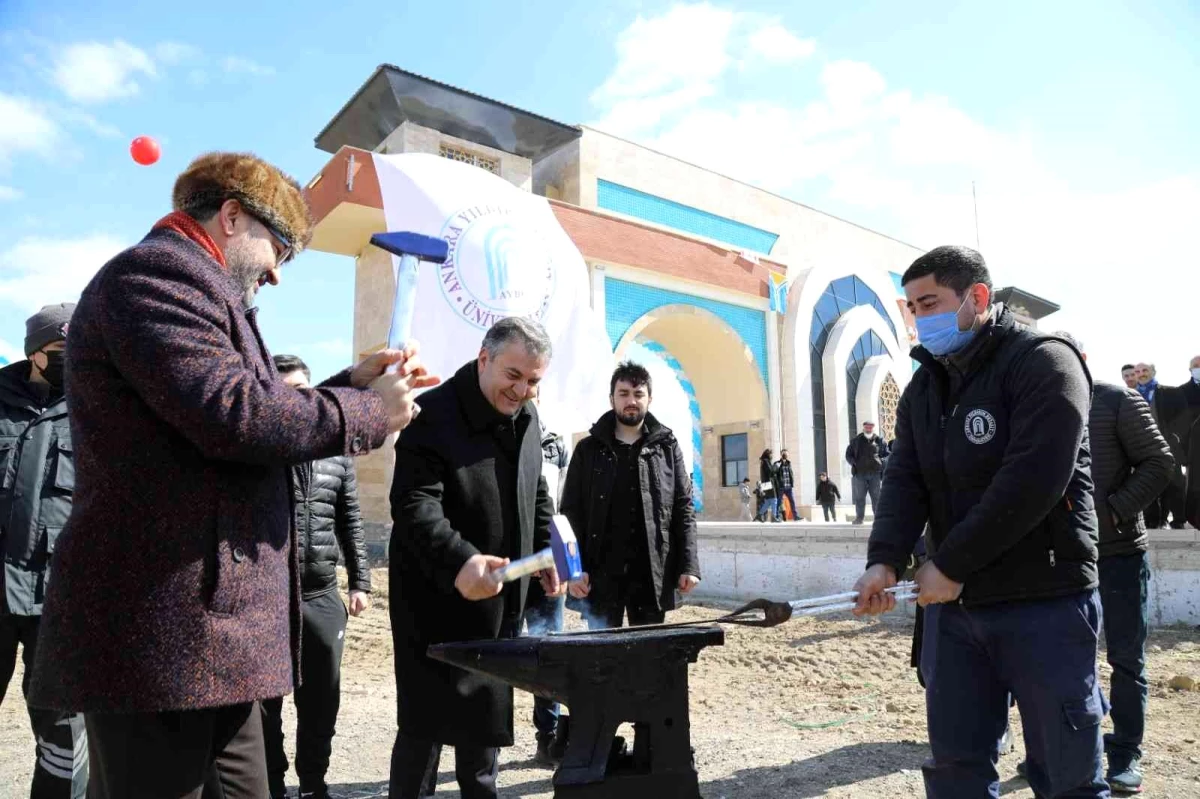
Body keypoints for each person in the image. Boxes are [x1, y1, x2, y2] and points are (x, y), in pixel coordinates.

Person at [28, 152, 434, 799]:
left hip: (208, 641)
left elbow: (243, 413)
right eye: (279, 248)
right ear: (232, 216)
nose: (276, 274)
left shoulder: (198, 289)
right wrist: (368, 410)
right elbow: (237, 416)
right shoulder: (155, 277)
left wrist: (349, 386)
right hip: (158, 634)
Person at [853, 245, 1109, 799]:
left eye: (930, 303)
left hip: (1043, 600)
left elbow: (1034, 479)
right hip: (956, 611)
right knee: (957, 764)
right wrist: (885, 560)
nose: (920, 319)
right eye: (912, 307)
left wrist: (950, 563)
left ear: (978, 297)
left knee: (1066, 773)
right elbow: (905, 481)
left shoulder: (1044, 361)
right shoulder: (926, 386)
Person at [387, 317, 561, 799]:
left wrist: (547, 552)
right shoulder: (433, 413)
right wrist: (460, 561)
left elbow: (536, 492)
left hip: (499, 603)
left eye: (533, 381)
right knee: (424, 734)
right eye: (513, 375)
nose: (522, 390)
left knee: (483, 739)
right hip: (434, 601)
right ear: (484, 358)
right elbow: (413, 504)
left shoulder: (528, 418)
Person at [1053, 332, 1173, 793]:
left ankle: (1125, 752)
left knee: (1125, 658)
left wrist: (1114, 511)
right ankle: (1068, 750)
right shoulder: (1035, 404)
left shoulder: (1117, 401)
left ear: (1081, 358)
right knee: (1057, 660)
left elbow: (1160, 463)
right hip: (1059, 560)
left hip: (1118, 554)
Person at [261, 354, 374, 799]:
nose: (298, 400)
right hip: (269, 598)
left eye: (304, 390)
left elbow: (351, 518)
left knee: (322, 701)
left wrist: (360, 581)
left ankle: (313, 783)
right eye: (286, 391)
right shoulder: (260, 452)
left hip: (322, 595)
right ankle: (270, 784)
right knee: (265, 704)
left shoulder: (337, 452)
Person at [1, 304, 87, 798]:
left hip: (59, 600)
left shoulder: (98, 408)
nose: (71, 361)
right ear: (34, 352)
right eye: (60, 352)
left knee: (62, 732)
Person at [562, 361, 701, 629]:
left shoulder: (667, 448)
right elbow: (571, 513)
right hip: (600, 573)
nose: (631, 401)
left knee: (648, 658)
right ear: (611, 398)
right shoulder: (588, 450)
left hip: (651, 572)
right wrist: (573, 570)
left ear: (649, 399)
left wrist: (689, 565)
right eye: (623, 393)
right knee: (603, 658)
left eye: (638, 394)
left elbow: (684, 507)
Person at [523, 389, 569, 766]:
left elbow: (561, 506)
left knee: (548, 652)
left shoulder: (556, 447)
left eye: (535, 388)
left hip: (549, 562)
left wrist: (567, 562)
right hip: (506, 564)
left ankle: (548, 736)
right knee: (498, 650)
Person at [1134, 363, 1188, 529]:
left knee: (1174, 483)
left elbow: (1184, 417)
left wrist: (1174, 437)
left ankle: (1178, 520)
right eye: (1138, 372)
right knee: (1148, 483)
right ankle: (1152, 521)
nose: (1141, 374)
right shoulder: (1130, 395)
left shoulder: (1170, 392)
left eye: (1145, 371)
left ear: (1153, 372)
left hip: (1168, 446)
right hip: (1142, 447)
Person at [845, 421, 889, 524]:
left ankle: (878, 519)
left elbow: (888, 454)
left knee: (876, 497)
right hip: (860, 474)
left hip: (875, 474)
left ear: (873, 428)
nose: (868, 429)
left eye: (870, 427)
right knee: (859, 497)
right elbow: (848, 455)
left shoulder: (880, 441)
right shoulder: (856, 441)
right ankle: (859, 518)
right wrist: (854, 463)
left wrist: (882, 461)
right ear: (863, 427)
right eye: (866, 427)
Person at [774, 449, 797, 521]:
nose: (785, 455)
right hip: (781, 487)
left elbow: (791, 474)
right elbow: (774, 473)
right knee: (778, 502)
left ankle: (795, 516)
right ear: (781, 454)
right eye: (784, 453)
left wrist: (792, 482)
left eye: (786, 454)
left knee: (792, 501)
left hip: (789, 486)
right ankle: (776, 516)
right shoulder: (777, 463)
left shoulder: (789, 463)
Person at [757, 448, 778, 522]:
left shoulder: (763, 461)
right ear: (768, 454)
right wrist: (775, 467)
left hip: (765, 484)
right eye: (771, 454)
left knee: (768, 501)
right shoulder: (766, 461)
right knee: (774, 499)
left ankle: (759, 515)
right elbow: (770, 472)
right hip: (768, 483)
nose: (772, 455)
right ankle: (774, 517)